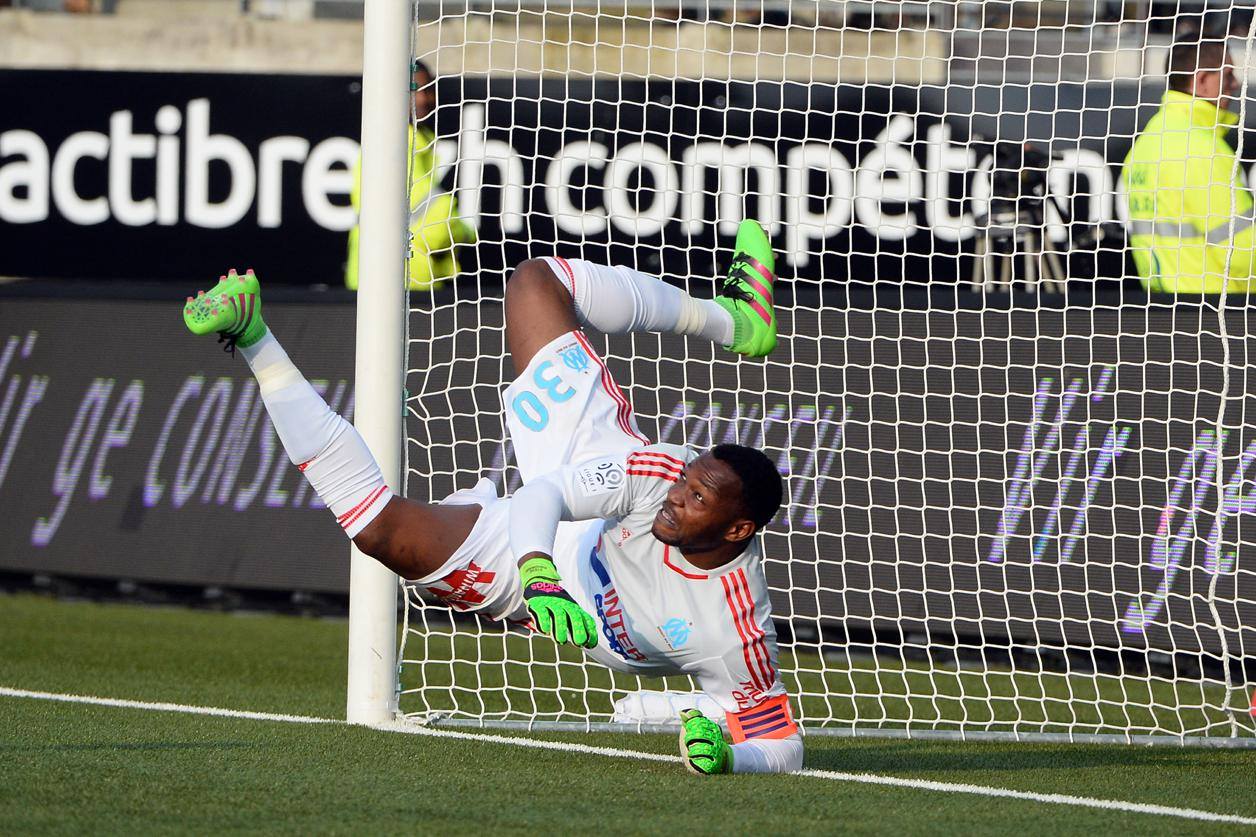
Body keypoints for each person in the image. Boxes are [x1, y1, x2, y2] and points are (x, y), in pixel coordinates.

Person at [183, 220, 801, 775]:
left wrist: (732, 759)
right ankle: (737, 319)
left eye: (697, 500)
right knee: (537, 283)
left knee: (379, 533)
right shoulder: (657, 477)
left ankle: (255, 340)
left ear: (736, 531)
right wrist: (539, 572)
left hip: (574, 593)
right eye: (685, 483)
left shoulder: (736, 626)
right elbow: (547, 494)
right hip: (574, 498)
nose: (677, 499)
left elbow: (783, 746)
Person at [1122, 36, 1256, 294]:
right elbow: (1242, 253)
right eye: (1227, 75)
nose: (1236, 84)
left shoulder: (1148, 142)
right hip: (1217, 316)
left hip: (1160, 308)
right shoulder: (1202, 149)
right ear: (1202, 81)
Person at [345, 60, 476, 291]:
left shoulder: (412, 139)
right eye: (415, 91)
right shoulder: (397, 142)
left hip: (389, 282)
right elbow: (438, 221)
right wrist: (466, 233)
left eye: (429, 90)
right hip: (397, 285)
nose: (425, 99)